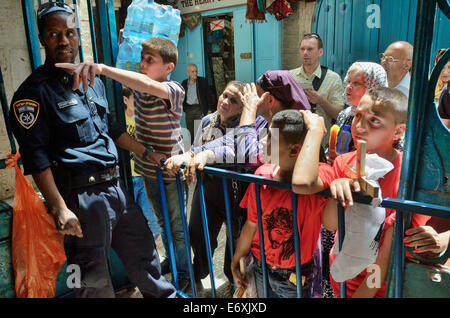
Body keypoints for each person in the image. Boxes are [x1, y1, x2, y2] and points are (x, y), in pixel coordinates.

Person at [9, 2, 176, 298]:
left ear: (78, 37)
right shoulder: (32, 93)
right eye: (54, 34)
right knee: (89, 281)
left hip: (117, 190)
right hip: (80, 199)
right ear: (42, 39)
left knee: (146, 258)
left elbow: (110, 127)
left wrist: (145, 150)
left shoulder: (91, 82)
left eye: (70, 33)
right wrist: (59, 207)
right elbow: (35, 157)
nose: (64, 41)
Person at [56, 38, 192, 291]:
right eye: (142, 58)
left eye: (150, 60)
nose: (142, 64)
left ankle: (184, 271)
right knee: (162, 224)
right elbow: (135, 85)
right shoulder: (139, 91)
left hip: (171, 172)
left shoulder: (174, 90)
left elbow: (146, 84)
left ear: (169, 67)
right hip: (150, 171)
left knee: (177, 228)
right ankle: (172, 263)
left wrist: (103, 69)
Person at [294, 87, 430, 298]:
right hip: (341, 275)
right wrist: (337, 192)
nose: (360, 126)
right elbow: (330, 223)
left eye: (374, 121)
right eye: (358, 115)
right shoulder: (343, 162)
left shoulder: (410, 178)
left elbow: (392, 251)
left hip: (381, 285)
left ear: (398, 132)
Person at [231, 109, 334, 298]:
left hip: (295, 276)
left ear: (294, 149)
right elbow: (251, 225)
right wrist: (237, 256)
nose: (264, 140)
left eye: (271, 136)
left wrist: (315, 130)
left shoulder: (322, 173)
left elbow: (302, 182)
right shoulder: (262, 174)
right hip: (261, 265)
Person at [165, 81, 254, 293]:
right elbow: (196, 148)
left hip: (236, 195)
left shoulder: (245, 127)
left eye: (234, 101)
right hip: (208, 191)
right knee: (198, 233)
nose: (225, 102)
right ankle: (199, 273)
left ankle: (233, 283)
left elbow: (240, 156)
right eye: (225, 95)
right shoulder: (206, 121)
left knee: (235, 244)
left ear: (243, 108)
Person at [289, 33, 345, 147]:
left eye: (310, 49)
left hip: (321, 141)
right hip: (294, 139)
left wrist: (321, 101)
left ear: (320, 52)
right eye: (302, 49)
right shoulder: (290, 76)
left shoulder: (333, 78)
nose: (305, 53)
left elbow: (339, 114)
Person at [122, 86, 161, 240]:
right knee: (130, 219)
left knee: (153, 219)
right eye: (135, 99)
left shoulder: (144, 120)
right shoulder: (120, 121)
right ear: (125, 100)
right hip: (128, 178)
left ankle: (149, 248)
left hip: (145, 176)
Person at [181, 63, 215, 140]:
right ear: (188, 73)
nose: (195, 73)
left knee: (199, 132)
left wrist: (209, 109)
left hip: (199, 108)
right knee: (190, 132)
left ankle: (198, 149)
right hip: (189, 109)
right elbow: (182, 97)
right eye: (192, 72)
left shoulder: (203, 81)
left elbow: (208, 96)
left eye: (196, 71)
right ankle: (192, 149)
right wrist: (184, 108)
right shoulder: (184, 83)